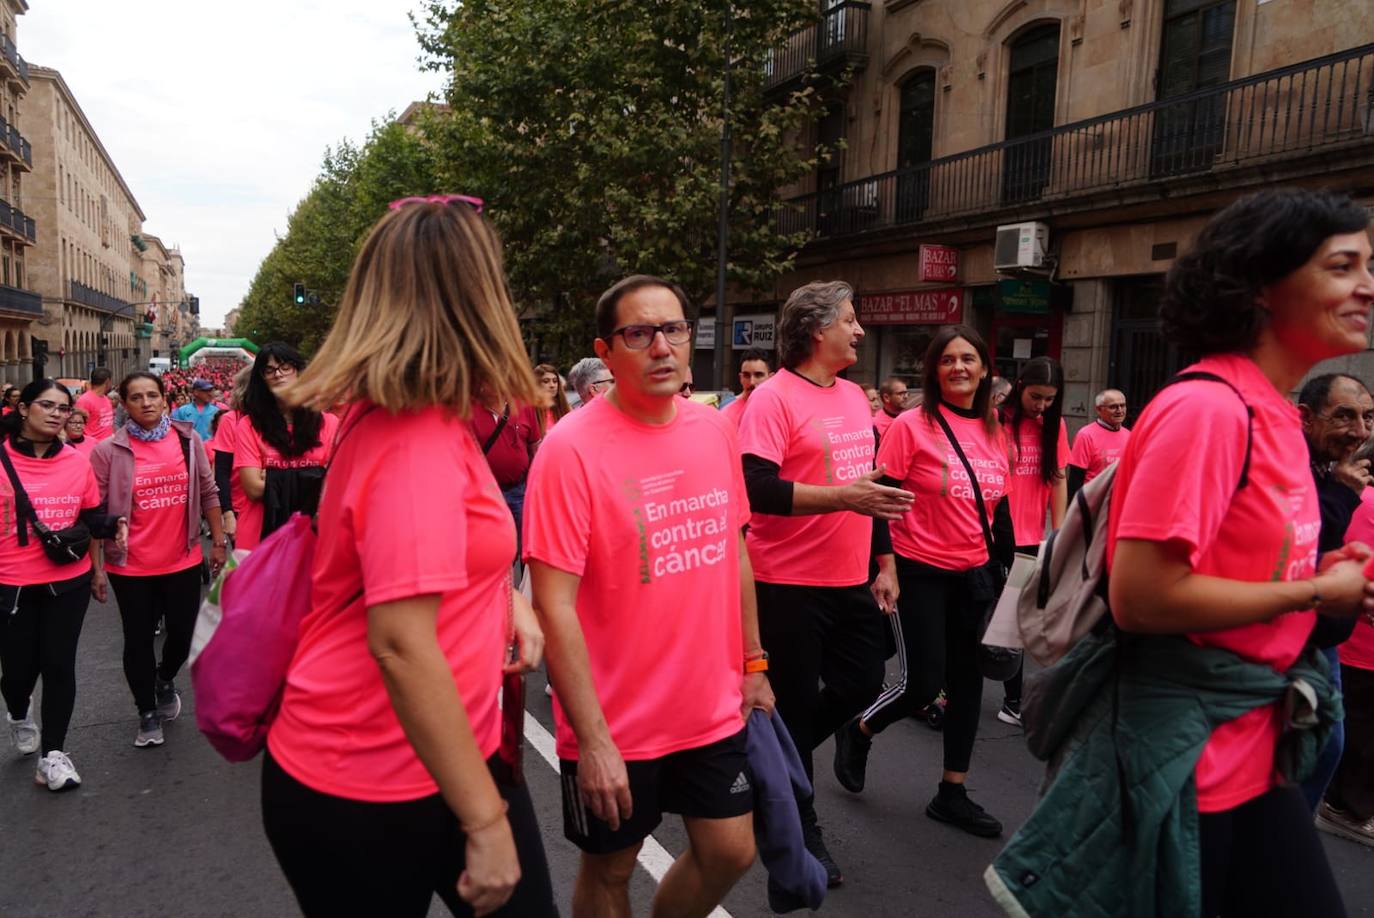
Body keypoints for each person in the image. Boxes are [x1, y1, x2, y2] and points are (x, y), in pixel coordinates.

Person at [260, 196, 557, 917]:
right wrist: (484, 821)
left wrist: (503, 597)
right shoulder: (415, 438)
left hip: (439, 753)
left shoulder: (413, 417)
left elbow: (431, 552)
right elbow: (399, 642)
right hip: (371, 780)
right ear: (472, 299)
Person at [1105, 189, 1373, 914]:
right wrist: (1315, 593)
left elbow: (1238, 569)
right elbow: (1143, 596)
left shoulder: (1280, 419)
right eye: (1343, 265)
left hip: (1258, 751)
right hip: (1188, 763)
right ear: (1263, 284)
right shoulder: (1208, 409)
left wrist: (1320, 573)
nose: (1368, 286)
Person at [525, 275, 770, 918]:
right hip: (615, 719)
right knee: (611, 869)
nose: (661, 347)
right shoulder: (567, 450)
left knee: (731, 850)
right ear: (606, 353)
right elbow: (553, 604)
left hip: (708, 705)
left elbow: (733, 548)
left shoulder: (714, 429)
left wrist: (753, 661)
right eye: (639, 333)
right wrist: (592, 738)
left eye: (674, 329)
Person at [737, 280, 913, 886]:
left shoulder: (850, 401)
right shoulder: (773, 400)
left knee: (862, 681)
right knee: (789, 704)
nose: (859, 330)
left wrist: (884, 559)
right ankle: (801, 824)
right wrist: (843, 496)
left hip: (849, 578)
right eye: (850, 320)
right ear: (817, 330)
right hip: (784, 581)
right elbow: (755, 488)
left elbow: (870, 488)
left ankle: (772, 767)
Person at [832, 325, 1011, 838]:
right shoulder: (912, 426)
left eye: (969, 359)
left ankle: (951, 792)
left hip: (975, 574)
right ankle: (860, 728)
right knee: (922, 682)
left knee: (969, 685)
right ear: (934, 370)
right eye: (948, 359)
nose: (959, 367)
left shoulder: (996, 429)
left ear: (984, 368)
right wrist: (883, 565)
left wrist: (1016, 572)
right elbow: (876, 501)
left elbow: (996, 512)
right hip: (919, 569)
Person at [0, 379, 125, 791]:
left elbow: (89, 519)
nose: (57, 413)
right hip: (10, 584)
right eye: (46, 405)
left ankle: (53, 754)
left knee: (58, 665)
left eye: (63, 407)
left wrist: (111, 533)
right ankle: (19, 711)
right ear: (22, 410)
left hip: (65, 583)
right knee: (17, 673)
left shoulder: (76, 461)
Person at [89, 372, 226, 749]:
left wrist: (217, 541)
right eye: (136, 397)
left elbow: (209, 492)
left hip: (182, 558)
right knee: (137, 638)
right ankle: (146, 710)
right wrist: (97, 568)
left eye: (153, 395)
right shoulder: (107, 451)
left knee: (181, 635)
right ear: (125, 405)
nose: (146, 402)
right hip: (129, 565)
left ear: (165, 400)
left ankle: (165, 677)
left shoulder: (187, 441)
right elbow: (94, 513)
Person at [1296, 374, 1374, 814]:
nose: (1360, 432)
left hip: (1323, 635)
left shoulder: (1330, 466)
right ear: (1305, 417)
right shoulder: (1292, 465)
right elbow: (1304, 544)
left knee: (1327, 742)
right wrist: (1342, 495)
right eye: (1345, 415)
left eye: (1367, 418)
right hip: (1288, 631)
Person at [997, 356, 1069, 726]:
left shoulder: (1053, 428)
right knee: (979, 617)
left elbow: (1058, 481)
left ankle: (1012, 700)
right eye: (1036, 396)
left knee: (1012, 621)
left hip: (1029, 539)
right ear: (1020, 385)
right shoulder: (995, 421)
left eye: (1049, 399)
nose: (1041, 405)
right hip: (991, 537)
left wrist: (1059, 534)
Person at [233, 343, 339, 551]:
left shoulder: (329, 423)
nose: (278, 374)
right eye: (269, 370)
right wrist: (315, 475)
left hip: (314, 534)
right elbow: (253, 489)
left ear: (299, 371)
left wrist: (272, 478)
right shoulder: (248, 425)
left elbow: (335, 484)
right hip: (259, 536)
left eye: (285, 367)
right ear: (262, 379)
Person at [1324, 453, 1374, 847]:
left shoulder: (1353, 497)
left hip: (1346, 639)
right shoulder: (1362, 501)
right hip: (1359, 642)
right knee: (1360, 735)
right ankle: (1347, 810)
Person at [211, 366, 253, 546]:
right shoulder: (230, 419)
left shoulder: (282, 417)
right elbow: (221, 470)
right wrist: (227, 513)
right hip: (241, 507)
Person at [1067, 388, 1131, 494]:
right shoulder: (1085, 435)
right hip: (1093, 502)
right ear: (1099, 410)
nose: (1119, 410)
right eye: (1113, 407)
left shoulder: (1129, 435)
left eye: (1122, 405)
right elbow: (1076, 479)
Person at [721, 349, 772, 427]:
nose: (752, 382)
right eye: (746, 375)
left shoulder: (780, 410)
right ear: (740, 378)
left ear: (771, 378)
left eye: (758, 375)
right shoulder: (726, 411)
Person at [75, 368, 116, 441]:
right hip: (93, 447)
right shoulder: (84, 401)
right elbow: (76, 425)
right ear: (107, 381)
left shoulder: (106, 399)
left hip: (109, 445)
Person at [872, 376, 913, 441]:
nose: (906, 397)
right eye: (901, 394)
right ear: (886, 398)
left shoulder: (911, 418)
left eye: (906, 393)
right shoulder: (874, 423)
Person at [534, 363, 571, 433]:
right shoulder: (531, 411)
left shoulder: (566, 408)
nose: (552, 385)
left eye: (555, 381)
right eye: (546, 381)